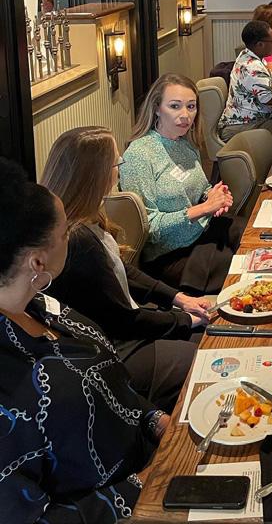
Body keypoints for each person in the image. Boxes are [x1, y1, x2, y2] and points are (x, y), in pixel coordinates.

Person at [0, 156, 165, 523]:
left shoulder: (43, 306)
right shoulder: (8, 382)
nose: (71, 236)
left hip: (154, 459)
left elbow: (109, 385)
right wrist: (143, 484)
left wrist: (155, 419)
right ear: (37, 262)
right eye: (64, 233)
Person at [42, 126, 210, 413]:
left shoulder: (86, 216)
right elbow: (123, 320)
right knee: (206, 356)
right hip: (114, 353)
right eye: (116, 164)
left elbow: (122, 269)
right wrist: (183, 320)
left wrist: (178, 298)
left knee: (207, 332)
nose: (119, 170)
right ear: (96, 174)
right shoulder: (78, 241)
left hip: (125, 330)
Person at [119, 73, 236, 295]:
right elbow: (149, 228)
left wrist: (214, 196)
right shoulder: (139, 155)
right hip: (168, 254)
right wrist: (204, 207)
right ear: (156, 108)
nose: (185, 115)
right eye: (175, 106)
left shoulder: (185, 143)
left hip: (201, 230)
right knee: (239, 266)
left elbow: (200, 190)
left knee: (250, 235)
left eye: (191, 107)